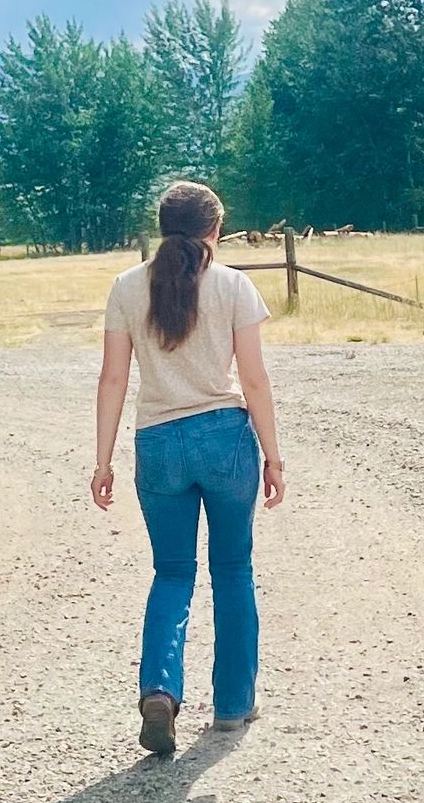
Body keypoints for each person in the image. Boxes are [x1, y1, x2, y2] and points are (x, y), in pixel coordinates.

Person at [91, 180, 285, 759]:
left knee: (172, 573)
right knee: (233, 568)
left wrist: (102, 461)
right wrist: (273, 455)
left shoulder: (126, 287)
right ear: (214, 230)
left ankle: (159, 687)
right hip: (224, 438)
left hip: (157, 442)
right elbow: (253, 380)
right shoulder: (232, 286)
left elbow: (112, 380)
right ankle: (232, 703)